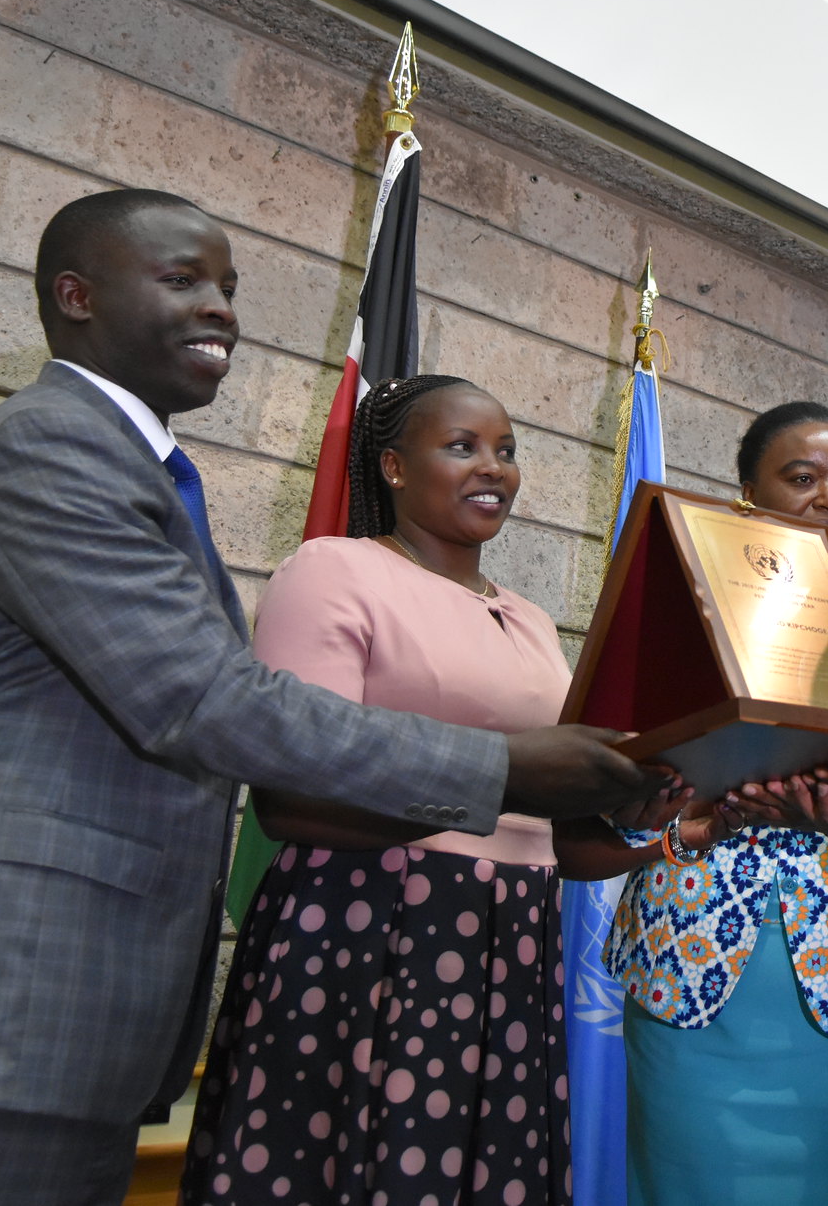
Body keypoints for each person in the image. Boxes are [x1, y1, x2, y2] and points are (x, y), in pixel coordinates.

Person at [0, 191, 657, 1206]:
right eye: (183, 279)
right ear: (76, 297)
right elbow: (204, 698)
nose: (221, 309)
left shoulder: (133, 464)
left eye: (229, 287)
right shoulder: (49, 448)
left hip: (60, 1022)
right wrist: (502, 766)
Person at [554, 401, 828, 1206]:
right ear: (746, 496)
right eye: (804, 477)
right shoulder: (679, 611)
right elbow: (605, 784)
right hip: (692, 960)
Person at [182, 374, 576, 1204]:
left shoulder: (536, 620)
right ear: (393, 466)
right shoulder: (331, 571)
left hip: (517, 946)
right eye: (463, 446)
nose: (494, 468)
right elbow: (292, 792)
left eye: (506, 450)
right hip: (374, 925)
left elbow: (558, 822)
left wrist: (676, 816)